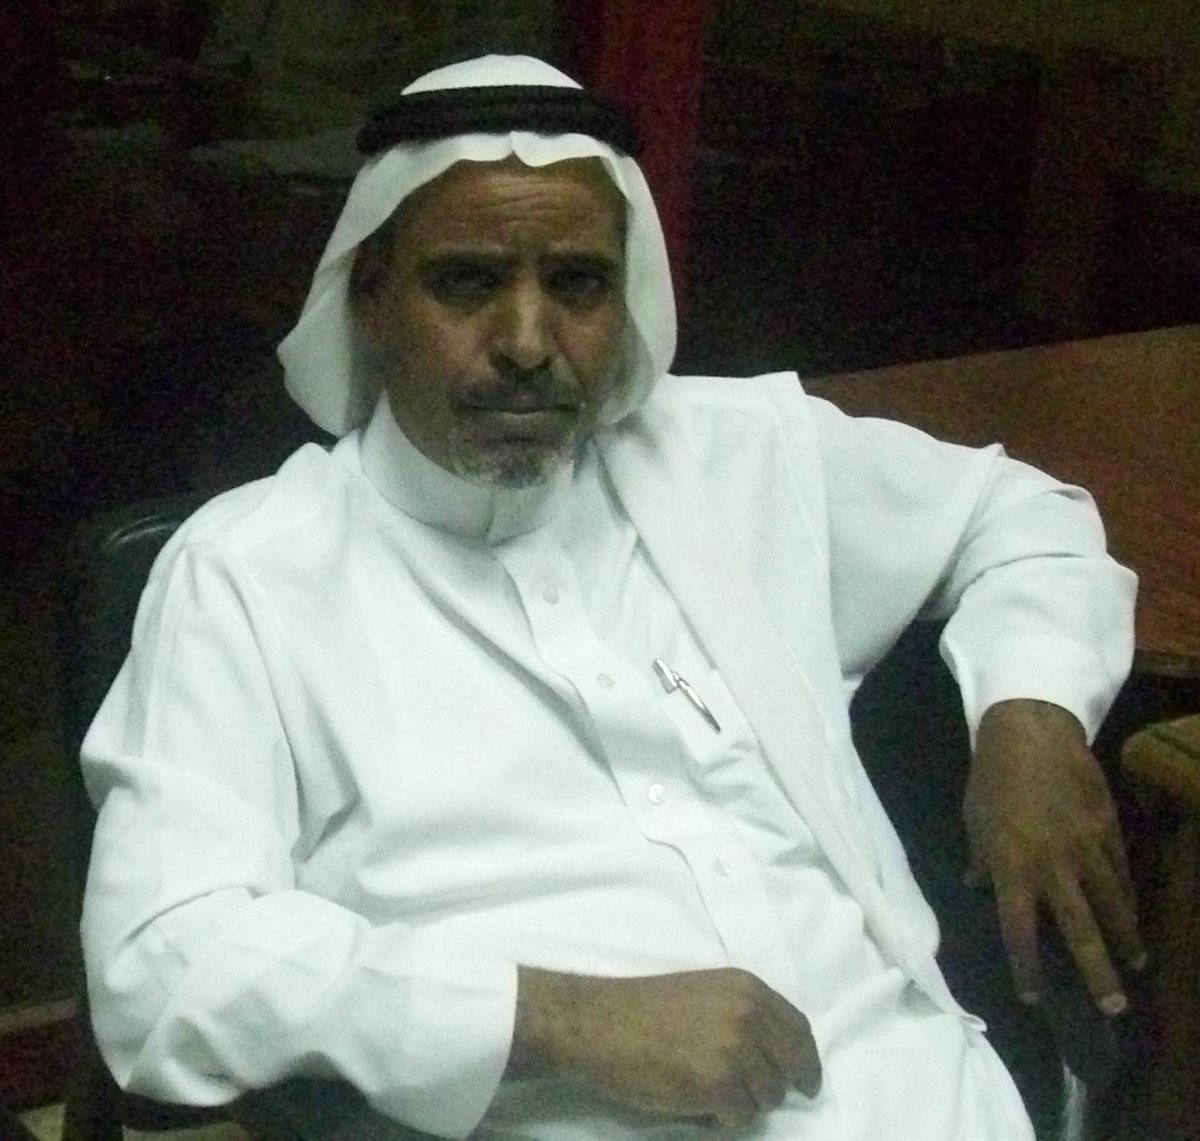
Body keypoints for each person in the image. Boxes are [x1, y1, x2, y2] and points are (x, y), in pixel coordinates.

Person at [81, 54, 1143, 1141]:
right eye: (468, 282)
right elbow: (162, 964)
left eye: (578, 285)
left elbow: (1021, 516)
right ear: (371, 300)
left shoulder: (736, 458)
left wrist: (1032, 719)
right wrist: (553, 1018)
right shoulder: (252, 573)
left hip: (922, 1097)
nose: (527, 342)